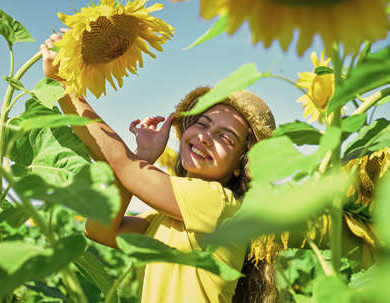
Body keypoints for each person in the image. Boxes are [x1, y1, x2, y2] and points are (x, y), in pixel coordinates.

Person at [41, 31, 278, 303]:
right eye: (202, 123)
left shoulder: (219, 204)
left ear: (241, 165)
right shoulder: (167, 217)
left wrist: (63, 85)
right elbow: (99, 230)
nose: (205, 136)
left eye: (225, 137)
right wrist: (143, 155)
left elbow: (124, 167)